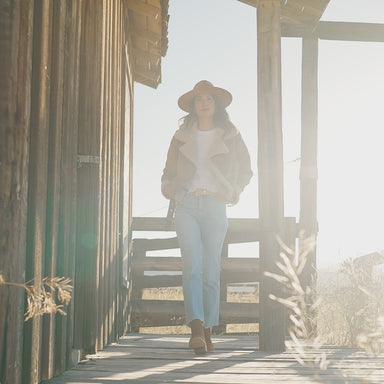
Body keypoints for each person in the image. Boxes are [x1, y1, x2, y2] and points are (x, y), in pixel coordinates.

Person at [161, 80, 253, 354]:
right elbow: (167, 170)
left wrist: (233, 190)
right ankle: (196, 330)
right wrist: (168, 187)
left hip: (215, 206)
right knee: (192, 267)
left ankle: (209, 330)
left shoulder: (231, 134)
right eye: (198, 99)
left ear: (216, 104)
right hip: (186, 204)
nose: (203, 103)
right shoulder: (180, 136)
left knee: (211, 271)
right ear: (192, 105)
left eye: (208, 99)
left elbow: (246, 169)